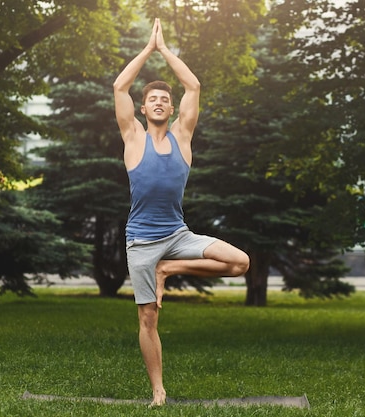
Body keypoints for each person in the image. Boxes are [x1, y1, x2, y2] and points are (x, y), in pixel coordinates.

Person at [113, 18, 250, 407]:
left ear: (172, 109)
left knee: (240, 262)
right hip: (140, 242)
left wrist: (165, 49)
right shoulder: (132, 136)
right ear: (143, 108)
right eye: (152, 99)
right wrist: (147, 49)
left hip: (178, 236)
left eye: (164, 99)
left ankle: (169, 270)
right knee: (148, 319)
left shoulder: (182, 137)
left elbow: (194, 85)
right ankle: (158, 390)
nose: (158, 102)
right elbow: (119, 86)